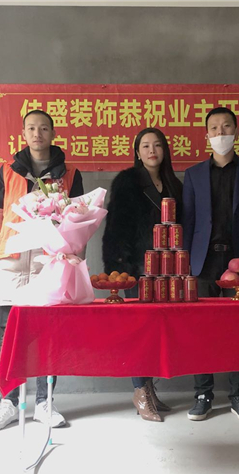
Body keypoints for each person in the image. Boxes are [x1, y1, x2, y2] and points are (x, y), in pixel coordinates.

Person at [0, 109, 84, 432]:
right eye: (31, 128)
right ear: (23, 134)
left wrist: (73, 258)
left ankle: (44, 402)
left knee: (47, 335)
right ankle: (8, 402)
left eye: (43, 128)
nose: (37, 134)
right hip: (11, 263)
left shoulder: (69, 173)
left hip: (49, 263)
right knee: (8, 336)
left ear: (53, 133)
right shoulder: (7, 171)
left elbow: (78, 222)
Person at [182, 107, 239, 422]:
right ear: (206, 135)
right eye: (214, 128)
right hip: (203, 262)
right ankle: (203, 394)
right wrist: (184, 262)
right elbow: (188, 221)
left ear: (237, 131)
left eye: (226, 127)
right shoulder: (193, 175)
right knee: (200, 331)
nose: (221, 133)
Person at [102, 128, 182, 422]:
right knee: (138, 331)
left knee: (156, 332)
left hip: (167, 270)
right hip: (136, 269)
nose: (152, 151)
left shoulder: (174, 184)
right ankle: (139, 391)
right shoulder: (127, 181)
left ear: (165, 150)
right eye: (145, 146)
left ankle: (149, 388)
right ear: (137, 152)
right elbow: (115, 227)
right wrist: (119, 268)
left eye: (157, 145)